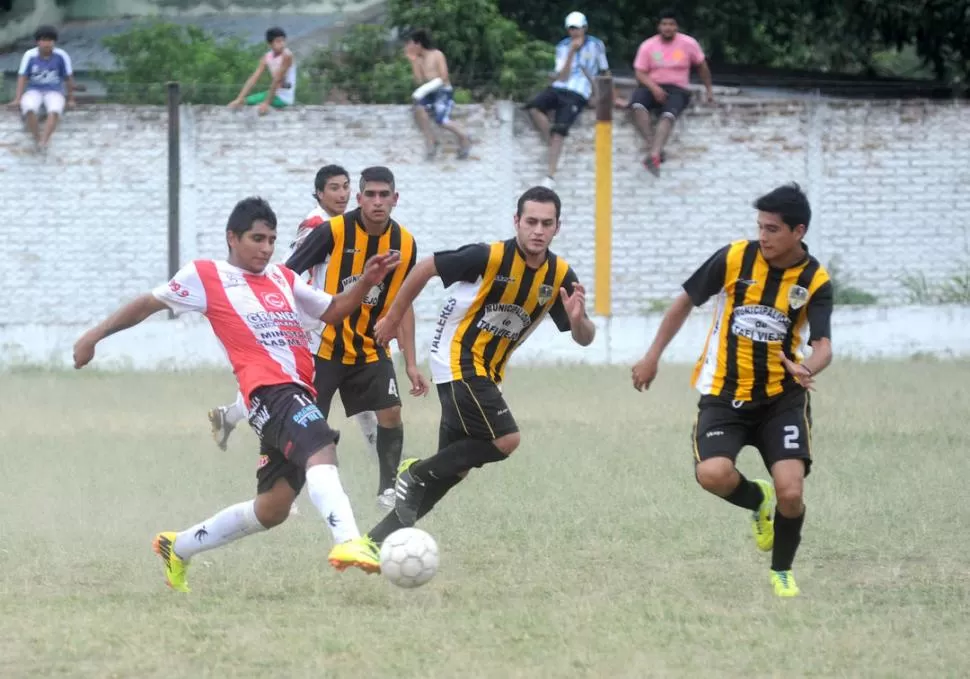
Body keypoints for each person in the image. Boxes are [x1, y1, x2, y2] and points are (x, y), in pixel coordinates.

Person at [73, 197, 400, 592]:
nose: (265, 248)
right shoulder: (206, 275)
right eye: (256, 239)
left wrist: (366, 282)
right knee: (321, 447)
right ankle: (348, 541)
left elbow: (332, 311)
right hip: (267, 390)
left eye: (271, 240)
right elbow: (147, 304)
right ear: (232, 237)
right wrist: (94, 336)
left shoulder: (283, 277)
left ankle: (178, 546)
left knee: (273, 508)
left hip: (296, 389)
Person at [327, 186, 596, 569]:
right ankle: (413, 469)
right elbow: (425, 268)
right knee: (506, 439)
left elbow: (584, 338)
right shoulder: (487, 256)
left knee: (452, 470)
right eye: (531, 221)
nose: (538, 230)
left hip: (487, 371)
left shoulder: (560, 275)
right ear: (516, 222)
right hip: (458, 360)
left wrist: (579, 319)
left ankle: (368, 544)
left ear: (557, 227)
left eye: (546, 223)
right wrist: (390, 316)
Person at [630, 183, 833, 598]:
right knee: (712, 474)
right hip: (725, 394)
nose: (763, 236)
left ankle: (781, 571)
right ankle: (756, 500)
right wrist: (652, 355)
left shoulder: (814, 280)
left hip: (782, 398)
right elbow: (685, 301)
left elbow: (824, 346)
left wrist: (805, 368)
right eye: (760, 226)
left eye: (773, 229)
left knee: (791, 492)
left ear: (798, 231)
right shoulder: (735, 257)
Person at [207, 165, 380, 469]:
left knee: (357, 388)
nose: (341, 194)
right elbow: (291, 266)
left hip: (333, 316)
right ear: (319, 193)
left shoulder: (350, 226)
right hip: (310, 323)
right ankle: (281, 468)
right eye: (334, 188)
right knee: (289, 397)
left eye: (345, 187)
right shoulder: (316, 224)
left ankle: (381, 467)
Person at [286, 166, 429, 514]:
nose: (377, 201)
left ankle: (388, 490)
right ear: (359, 197)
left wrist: (410, 362)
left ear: (395, 199)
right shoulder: (332, 232)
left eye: (385, 195)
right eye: (370, 194)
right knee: (307, 421)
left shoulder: (405, 244)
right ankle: (288, 492)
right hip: (325, 344)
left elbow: (403, 303)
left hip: (370, 347)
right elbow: (287, 276)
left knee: (391, 412)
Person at [523, 11, 609, 189]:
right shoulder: (563, 46)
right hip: (561, 87)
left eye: (577, 28)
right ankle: (553, 148)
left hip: (580, 91)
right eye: (571, 28)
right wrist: (572, 52)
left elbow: (604, 70)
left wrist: (602, 96)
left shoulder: (596, 45)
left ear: (584, 28)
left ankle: (550, 174)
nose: (574, 32)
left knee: (560, 130)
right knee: (534, 107)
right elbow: (562, 77)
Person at [629, 9, 714, 176]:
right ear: (658, 26)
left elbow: (702, 67)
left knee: (668, 115)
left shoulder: (689, 44)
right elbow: (639, 72)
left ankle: (653, 155)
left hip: (678, 88)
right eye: (664, 24)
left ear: (677, 27)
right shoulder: (648, 45)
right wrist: (654, 88)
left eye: (671, 24)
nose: (667, 28)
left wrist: (709, 90)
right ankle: (654, 147)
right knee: (637, 105)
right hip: (651, 85)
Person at [405, 28, 472, 160]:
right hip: (429, 92)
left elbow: (444, 76)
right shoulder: (418, 60)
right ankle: (431, 140)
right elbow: (419, 81)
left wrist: (431, 84)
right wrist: (413, 61)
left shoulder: (437, 55)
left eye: (410, 43)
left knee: (441, 120)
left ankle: (464, 137)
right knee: (418, 109)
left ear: (418, 44)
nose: (408, 46)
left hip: (442, 90)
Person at [8, 24, 75, 151]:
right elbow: (22, 77)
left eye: (50, 40)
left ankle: (44, 141)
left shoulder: (61, 55)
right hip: (34, 90)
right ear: (38, 41)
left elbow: (68, 78)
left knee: (54, 110)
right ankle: (37, 139)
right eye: (44, 40)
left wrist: (71, 99)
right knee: (29, 108)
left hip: (54, 91)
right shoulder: (30, 55)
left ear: (54, 42)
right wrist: (18, 98)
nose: (47, 43)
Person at [228, 27, 296, 115]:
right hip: (272, 94)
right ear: (270, 44)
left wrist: (266, 103)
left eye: (283, 41)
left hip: (284, 98)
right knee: (240, 102)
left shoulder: (287, 56)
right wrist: (239, 98)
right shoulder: (267, 57)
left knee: (251, 105)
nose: (282, 44)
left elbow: (277, 80)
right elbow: (254, 77)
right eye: (278, 41)